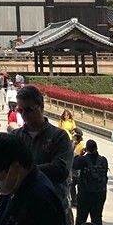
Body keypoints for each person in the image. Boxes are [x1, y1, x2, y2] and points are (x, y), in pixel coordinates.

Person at [14, 85, 73, 216]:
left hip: (52, 206)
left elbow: (61, 170)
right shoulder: (15, 136)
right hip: (23, 206)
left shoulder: (59, 136)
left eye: (29, 110)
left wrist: (25, 171)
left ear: (41, 107)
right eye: (20, 110)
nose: (24, 114)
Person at [72, 139, 108, 225]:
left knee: (81, 217)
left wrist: (80, 154)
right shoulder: (103, 160)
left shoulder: (82, 159)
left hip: (85, 193)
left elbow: (73, 165)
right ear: (96, 148)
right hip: (100, 193)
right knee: (97, 217)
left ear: (86, 149)